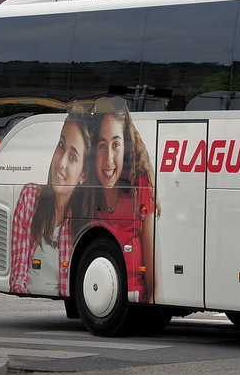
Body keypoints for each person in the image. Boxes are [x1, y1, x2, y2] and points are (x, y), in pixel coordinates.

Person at [10, 111, 92, 295]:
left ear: (83, 175)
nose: (61, 162)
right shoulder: (30, 197)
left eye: (73, 157)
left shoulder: (85, 218)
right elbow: (18, 272)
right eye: (61, 146)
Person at [90, 98, 158, 303]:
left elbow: (153, 283)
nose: (109, 159)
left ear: (126, 148)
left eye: (116, 144)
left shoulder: (139, 184)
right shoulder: (87, 194)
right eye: (102, 145)